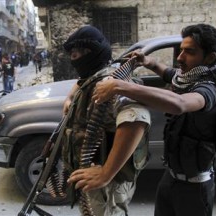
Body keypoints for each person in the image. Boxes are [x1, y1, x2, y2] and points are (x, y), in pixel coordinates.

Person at [92, 23, 216, 216]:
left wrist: (120, 87)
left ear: (210, 57)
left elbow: (179, 103)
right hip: (170, 178)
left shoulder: (209, 89)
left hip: (195, 189)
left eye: (189, 52)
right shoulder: (187, 78)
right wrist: (147, 61)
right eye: (181, 50)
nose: (180, 58)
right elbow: (167, 72)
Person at [57, 25, 151, 216]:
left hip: (109, 184)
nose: (73, 59)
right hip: (92, 175)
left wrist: (105, 173)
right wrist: (69, 98)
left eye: (76, 55)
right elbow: (82, 81)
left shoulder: (112, 84)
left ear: (90, 53)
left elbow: (137, 120)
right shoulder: (96, 76)